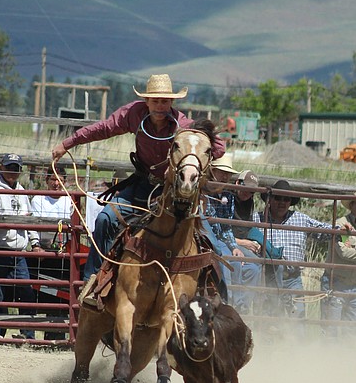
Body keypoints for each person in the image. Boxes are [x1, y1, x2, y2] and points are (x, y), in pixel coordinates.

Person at [50, 74, 225, 278]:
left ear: (172, 102)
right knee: (105, 219)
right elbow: (103, 128)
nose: (160, 106)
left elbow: (218, 148)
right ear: (147, 101)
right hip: (143, 184)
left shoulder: (183, 125)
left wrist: (179, 163)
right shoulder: (134, 114)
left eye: (165, 101)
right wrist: (67, 143)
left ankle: (218, 296)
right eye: (156, 101)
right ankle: (94, 281)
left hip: (175, 191)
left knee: (211, 243)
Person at [0, 153, 44, 338]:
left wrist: (35, 242)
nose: (12, 172)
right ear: (1, 167)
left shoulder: (21, 191)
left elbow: (30, 219)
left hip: (17, 252)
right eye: (9, 167)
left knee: (25, 293)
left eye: (15, 169)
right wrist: (16, 222)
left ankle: (27, 334)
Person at [252, 179, 332, 318]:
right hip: (267, 277)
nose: (282, 202)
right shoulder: (257, 218)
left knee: (298, 318)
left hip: (292, 278)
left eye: (286, 199)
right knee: (267, 318)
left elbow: (323, 230)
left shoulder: (300, 219)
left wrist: (340, 230)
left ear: (290, 202)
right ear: (270, 200)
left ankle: (295, 338)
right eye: (278, 198)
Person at [202, 153, 262, 313]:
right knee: (231, 263)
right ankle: (228, 304)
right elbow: (205, 223)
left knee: (246, 265)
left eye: (227, 173)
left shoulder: (227, 196)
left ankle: (240, 307)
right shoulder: (202, 192)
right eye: (221, 171)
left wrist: (234, 246)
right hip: (206, 238)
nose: (224, 176)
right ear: (212, 171)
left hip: (220, 239)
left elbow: (226, 226)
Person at [321, 188, 356, 326]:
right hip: (336, 281)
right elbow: (342, 252)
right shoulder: (340, 224)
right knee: (331, 327)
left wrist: (352, 249)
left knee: (352, 327)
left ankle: (349, 347)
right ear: (351, 205)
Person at [30, 169, 75, 252]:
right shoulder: (38, 199)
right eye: (53, 179)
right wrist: (35, 245)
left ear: (64, 182)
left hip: (65, 248)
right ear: (47, 180)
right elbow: (32, 225)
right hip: (42, 247)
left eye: (60, 180)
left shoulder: (70, 201)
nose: (56, 183)